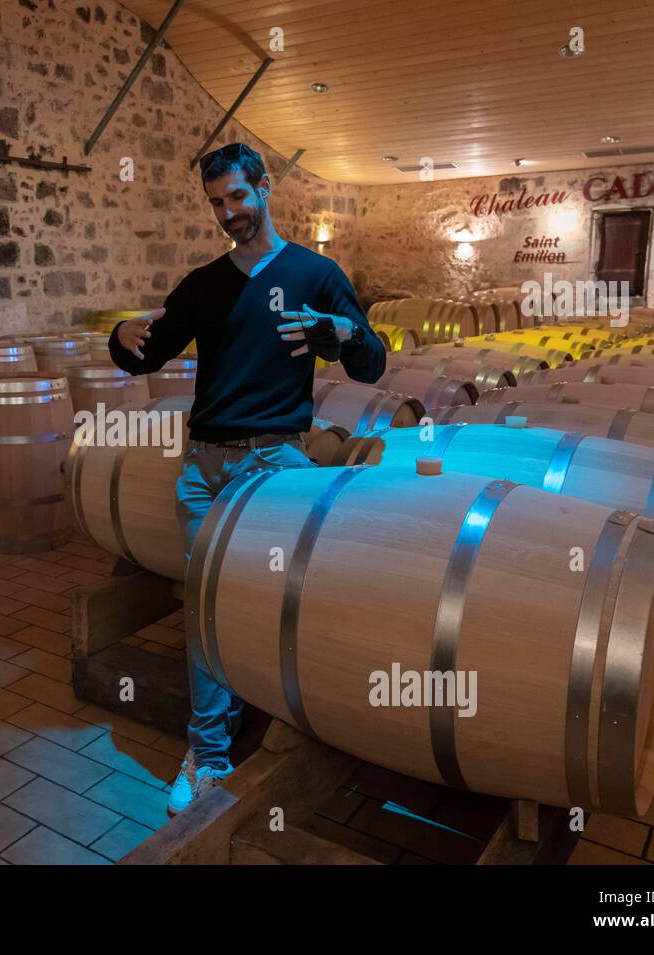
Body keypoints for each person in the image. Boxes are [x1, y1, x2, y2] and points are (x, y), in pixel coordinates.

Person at [106, 142, 387, 814]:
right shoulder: (204, 284)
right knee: (204, 610)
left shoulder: (316, 273)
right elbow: (145, 353)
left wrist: (340, 330)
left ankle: (290, 725)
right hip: (204, 466)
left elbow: (373, 363)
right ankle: (207, 755)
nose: (228, 212)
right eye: (216, 203)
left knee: (277, 607)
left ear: (264, 186)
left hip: (275, 465)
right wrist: (119, 334)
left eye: (237, 196)